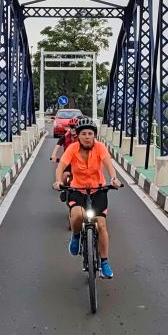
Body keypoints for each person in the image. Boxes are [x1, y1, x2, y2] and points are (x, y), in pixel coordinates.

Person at [52, 117, 121, 278]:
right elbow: (61, 166)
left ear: (94, 135)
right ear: (78, 135)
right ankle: (76, 236)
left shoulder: (100, 148)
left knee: (101, 225)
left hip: (98, 189)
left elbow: (109, 165)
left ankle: (104, 262)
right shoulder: (73, 149)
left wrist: (114, 179)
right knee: (77, 215)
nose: (87, 136)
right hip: (77, 189)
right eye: (84, 133)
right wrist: (57, 181)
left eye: (90, 133)